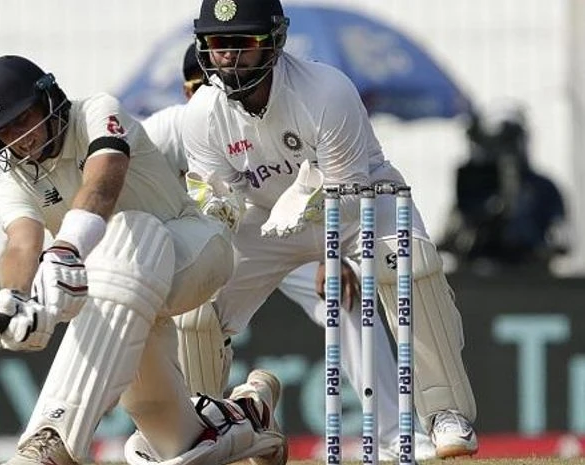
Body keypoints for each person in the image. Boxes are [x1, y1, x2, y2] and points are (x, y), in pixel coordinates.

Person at [180, 0, 478, 459]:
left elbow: (346, 188)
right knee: (197, 302)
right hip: (263, 219)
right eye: (219, 44)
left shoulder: (325, 90)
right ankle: (201, 427)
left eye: (244, 43)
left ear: (274, 41)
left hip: (362, 201)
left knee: (406, 262)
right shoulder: (201, 114)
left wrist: (330, 256)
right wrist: (210, 246)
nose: (230, 57)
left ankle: (445, 413)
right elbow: (219, 207)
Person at [0, 55, 287, 465]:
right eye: (4, 132)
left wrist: (65, 250)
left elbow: (105, 180)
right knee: (177, 442)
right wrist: (14, 298)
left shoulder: (96, 112)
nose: (20, 139)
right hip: (124, 290)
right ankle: (251, 417)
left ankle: (52, 437)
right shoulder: (14, 186)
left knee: (126, 230)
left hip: (193, 249)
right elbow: (20, 245)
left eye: (22, 119)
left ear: (49, 100)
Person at [142, 43, 435, 460]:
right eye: (196, 85)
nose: (211, 89)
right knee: (193, 316)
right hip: (231, 244)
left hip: (292, 228)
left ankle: (391, 435)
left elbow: (327, 185)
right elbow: (122, 170)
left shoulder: (295, 104)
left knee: (344, 297)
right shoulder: (174, 127)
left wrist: (329, 257)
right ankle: (224, 422)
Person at [438, 100, 569, 275]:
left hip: (529, 277)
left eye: (505, 144)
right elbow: (450, 235)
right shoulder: (473, 188)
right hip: (476, 276)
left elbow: (562, 235)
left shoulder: (541, 188)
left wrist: (539, 244)